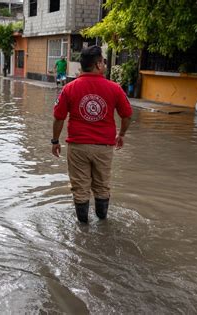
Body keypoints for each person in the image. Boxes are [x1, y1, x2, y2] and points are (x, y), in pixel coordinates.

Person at [52, 46, 133, 223]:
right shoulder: (114, 88)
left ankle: (83, 229)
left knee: (80, 188)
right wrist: (122, 134)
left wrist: (55, 141)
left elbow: (58, 118)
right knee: (102, 186)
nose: (104, 64)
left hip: (78, 147)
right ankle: (103, 225)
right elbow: (127, 115)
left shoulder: (69, 88)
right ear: (97, 65)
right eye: (103, 61)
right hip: (104, 148)